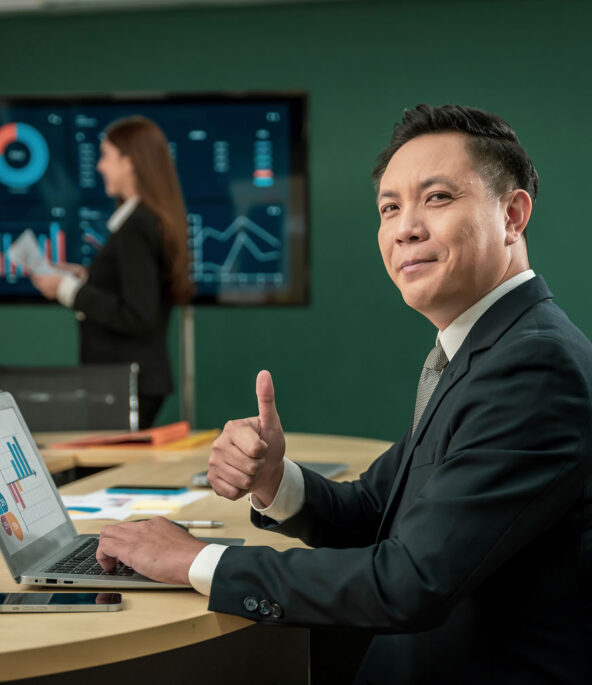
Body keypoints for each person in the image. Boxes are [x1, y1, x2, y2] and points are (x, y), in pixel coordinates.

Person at [95, 105, 592, 683]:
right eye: (389, 207)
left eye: (436, 198)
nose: (405, 227)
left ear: (511, 216)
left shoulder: (532, 366)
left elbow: (408, 583)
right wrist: (274, 481)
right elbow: (376, 512)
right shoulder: (485, 349)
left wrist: (196, 560)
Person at [31, 116, 193, 429]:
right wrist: (85, 279)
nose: (100, 166)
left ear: (130, 162)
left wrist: (69, 290)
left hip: (127, 382)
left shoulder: (136, 226)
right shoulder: (143, 221)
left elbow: (137, 313)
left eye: (106, 156)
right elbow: (132, 290)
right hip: (130, 380)